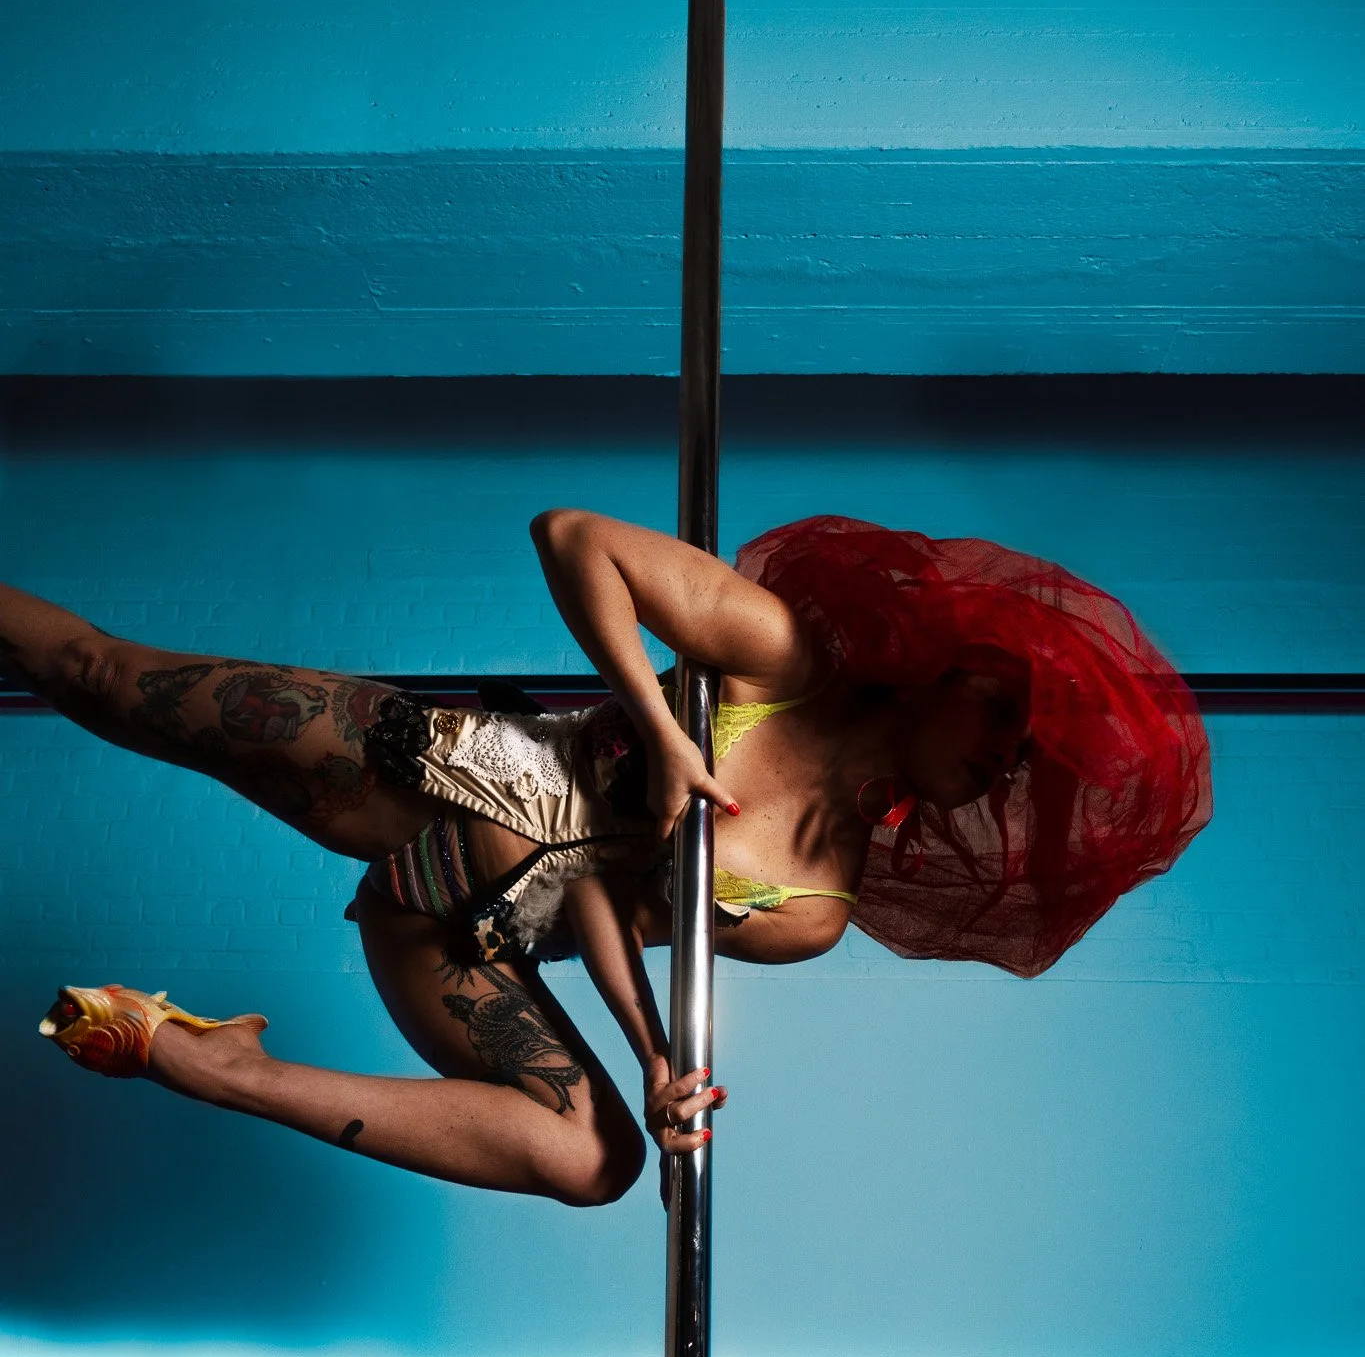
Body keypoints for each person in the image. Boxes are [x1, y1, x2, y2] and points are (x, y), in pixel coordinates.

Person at [2, 511, 1211, 1207]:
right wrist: (667, 732)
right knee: (101, 677)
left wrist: (655, 1057)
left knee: (600, 1160)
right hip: (413, 768)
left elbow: (595, 900)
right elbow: (574, 536)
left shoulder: (813, 904)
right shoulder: (776, 659)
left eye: (1021, 764)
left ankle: (222, 1066)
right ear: (948, 670)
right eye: (1002, 718)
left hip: (457, 927)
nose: (1001, 761)